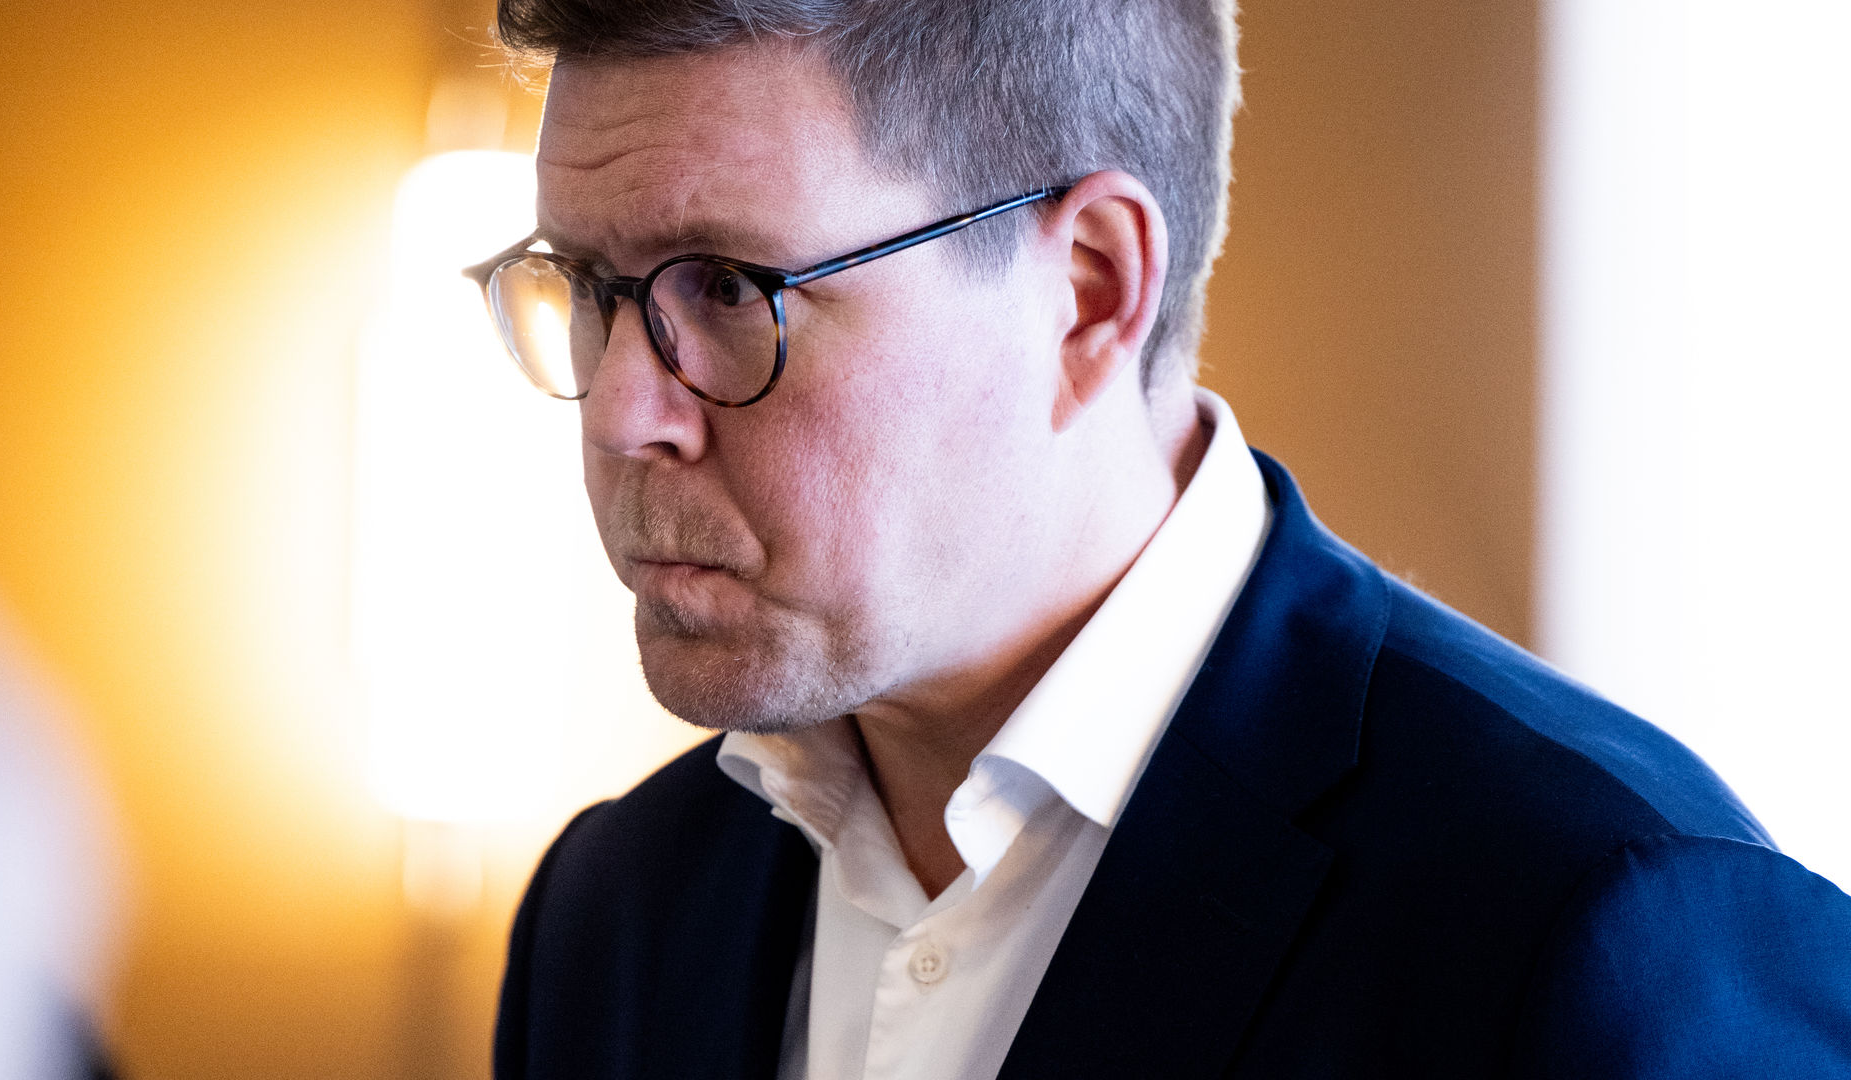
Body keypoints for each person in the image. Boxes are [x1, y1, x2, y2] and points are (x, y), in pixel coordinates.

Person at [468, 1, 1851, 1076]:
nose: (621, 412)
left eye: (725, 287)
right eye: (585, 285)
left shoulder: (1603, 923)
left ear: (1088, 291)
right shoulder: (614, 917)